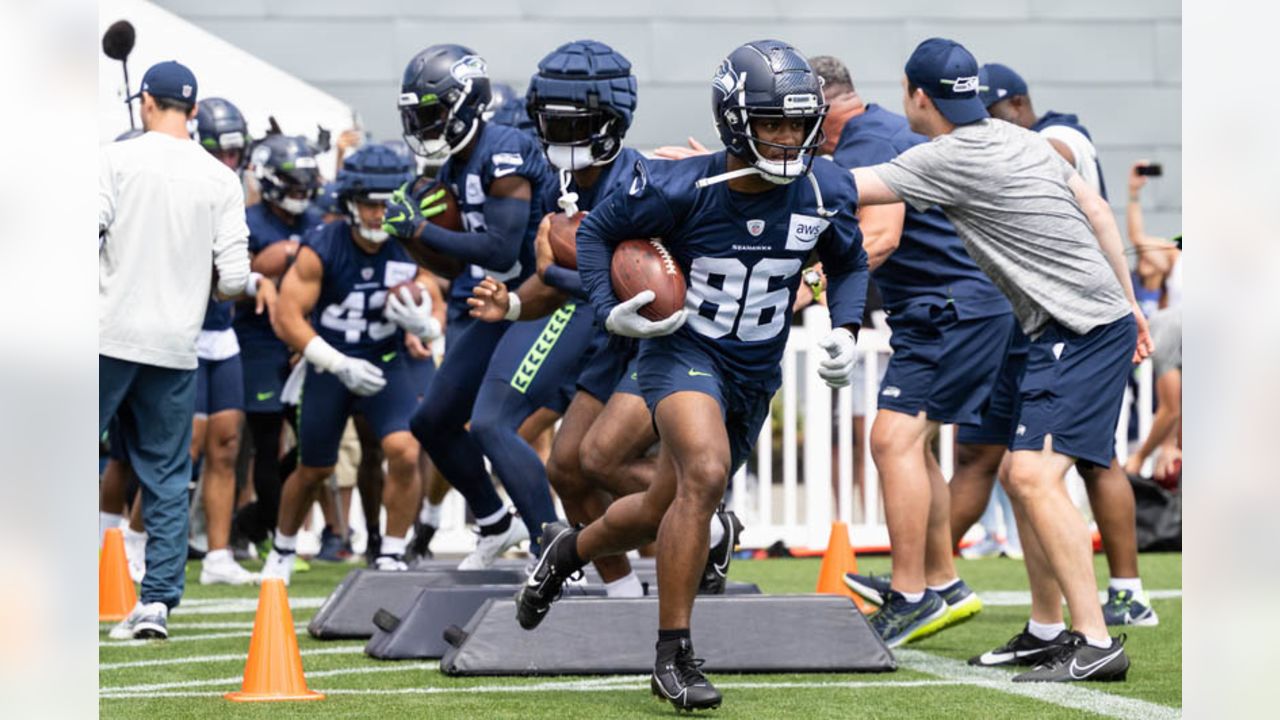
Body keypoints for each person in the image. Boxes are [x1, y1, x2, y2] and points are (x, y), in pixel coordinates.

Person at [514, 40, 868, 711]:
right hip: (683, 353)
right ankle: (673, 654)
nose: (788, 137)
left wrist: (843, 329)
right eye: (772, 123)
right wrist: (610, 310)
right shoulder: (682, 187)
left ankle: (568, 553)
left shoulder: (826, 188)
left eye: (797, 123)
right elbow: (593, 236)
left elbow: (847, 264)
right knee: (703, 473)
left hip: (754, 370)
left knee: (661, 506)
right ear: (736, 121)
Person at [849, 38, 1151, 682]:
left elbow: (845, 186)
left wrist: (736, 163)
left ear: (916, 94)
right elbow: (1096, 210)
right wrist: (1133, 304)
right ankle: (1047, 630)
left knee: (1036, 477)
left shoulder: (944, 157)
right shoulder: (1023, 138)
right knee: (1020, 477)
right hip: (1071, 322)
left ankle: (1094, 640)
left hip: (1080, 328)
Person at [805, 55, 1015, 648]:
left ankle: (911, 596)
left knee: (891, 439)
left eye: (791, 119)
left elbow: (879, 236)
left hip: (950, 307)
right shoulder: (871, 134)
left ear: (821, 109)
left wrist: (802, 289)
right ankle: (941, 582)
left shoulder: (871, 141)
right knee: (912, 445)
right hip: (954, 305)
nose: (784, 132)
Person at [100, 60, 261, 639]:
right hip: (176, 343)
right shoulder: (221, 177)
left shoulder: (114, 158)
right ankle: (157, 603)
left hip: (106, 332)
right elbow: (237, 280)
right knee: (168, 474)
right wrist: (199, 286)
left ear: (146, 102)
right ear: (193, 112)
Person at [383, 44, 556, 566]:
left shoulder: (503, 151)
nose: (425, 125)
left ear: (465, 104)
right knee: (432, 421)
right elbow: (460, 268)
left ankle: (552, 543)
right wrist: (411, 239)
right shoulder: (456, 165)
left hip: (546, 301)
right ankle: (494, 523)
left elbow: (502, 248)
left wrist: (424, 227)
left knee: (492, 424)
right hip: (499, 303)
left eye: (432, 113)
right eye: (418, 116)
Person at [262, 144, 439, 583]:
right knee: (314, 467)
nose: (379, 214)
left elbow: (433, 297)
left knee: (405, 449)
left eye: (387, 203)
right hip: (330, 364)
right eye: (369, 203)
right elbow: (287, 317)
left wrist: (427, 325)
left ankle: (392, 551)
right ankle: (283, 549)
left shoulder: (411, 242)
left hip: (384, 360)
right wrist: (337, 362)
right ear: (349, 202)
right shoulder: (322, 244)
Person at [230, 134, 324, 556]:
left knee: (312, 443)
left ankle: (254, 519)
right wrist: (262, 267)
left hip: (305, 343)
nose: (301, 192)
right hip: (261, 342)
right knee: (267, 443)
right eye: (293, 183)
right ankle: (270, 533)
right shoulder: (246, 222)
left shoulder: (317, 222)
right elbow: (229, 281)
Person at [189, 96, 265, 585]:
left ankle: (217, 554)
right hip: (182, 330)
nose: (231, 163)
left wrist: (256, 280)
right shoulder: (185, 188)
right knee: (182, 447)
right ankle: (131, 541)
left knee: (226, 445)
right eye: (225, 153)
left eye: (238, 154)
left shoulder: (239, 192)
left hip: (222, 332)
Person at [1124, 307, 1181, 484]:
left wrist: (1139, 457)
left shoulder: (1160, 338)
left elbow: (1170, 410)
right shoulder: (1165, 323)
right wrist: (1169, 444)